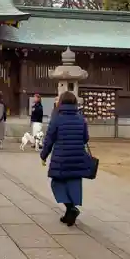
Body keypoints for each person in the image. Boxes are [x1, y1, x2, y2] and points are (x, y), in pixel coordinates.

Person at [40, 91, 90, 227]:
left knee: (57, 183)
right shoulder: (81, 118)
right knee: (73, 183)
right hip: (78, 156)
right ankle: (70, 211)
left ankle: (70, 208)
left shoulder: (57, 118)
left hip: (61, 157)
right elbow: (86, 138)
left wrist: (43, 155)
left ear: (60, 102)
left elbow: (49, 139)